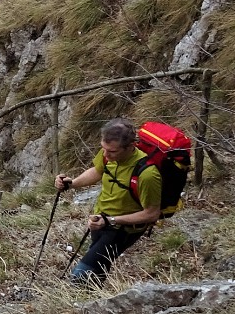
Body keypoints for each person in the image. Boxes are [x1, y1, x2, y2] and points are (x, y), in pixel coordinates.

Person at [55, 117, 162, 284]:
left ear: (130, 146)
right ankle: (94, 302)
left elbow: (152, 214)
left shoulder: (147, 174)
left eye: (111, 151)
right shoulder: (109, 154)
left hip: (124, 229)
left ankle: (76, 305)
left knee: (82, 274)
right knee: (98, 266)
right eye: (103, 149)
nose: (105, 154)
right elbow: (98, 171)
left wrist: (110, 220)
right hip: (100, 220)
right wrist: (72, 183)